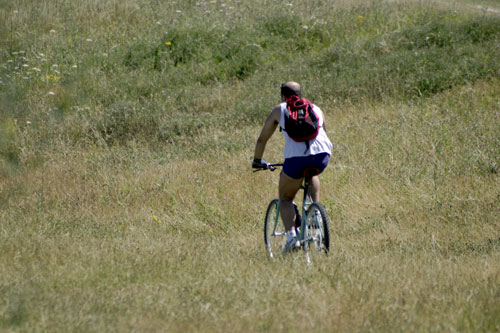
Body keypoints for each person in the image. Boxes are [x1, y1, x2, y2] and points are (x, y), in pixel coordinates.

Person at [252, 81, 333, 253]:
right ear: (300, 93)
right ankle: (315, 212)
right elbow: (323, 131)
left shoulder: (279, 109)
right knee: (312, 173)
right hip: (322, 155)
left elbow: (262, 139)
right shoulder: (315, 108)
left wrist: (257, 160)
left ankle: (292, 238)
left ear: (283, 96)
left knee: (285, 198)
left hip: (296, 159)